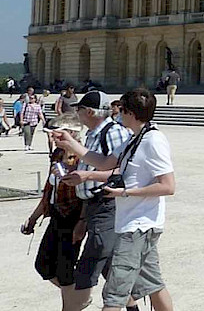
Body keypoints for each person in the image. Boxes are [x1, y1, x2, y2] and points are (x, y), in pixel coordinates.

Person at [50, 87, 176, 311]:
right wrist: (70, 143)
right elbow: (105, 162)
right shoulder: (135, 138)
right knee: (152, 285)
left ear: (130, 113)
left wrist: (125, 192)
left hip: (139, 226)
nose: (116, 113)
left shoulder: (153, 140)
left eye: (121, 110)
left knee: (115, 294)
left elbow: (168, 186)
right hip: (132, 223)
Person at [65, 91, 132, 311]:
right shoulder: (93, 134)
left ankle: (74, 307)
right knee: (110, 266)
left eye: (80, 109)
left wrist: (87, 176)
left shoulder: (113, 133)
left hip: (108, 203)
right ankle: (133, 306)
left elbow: (123, 171)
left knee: (90, 261)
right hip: (94, 206)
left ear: (90, 111)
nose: (77, 113)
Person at [22, 113, 84, 311]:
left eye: (55, 134)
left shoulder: (83, 157)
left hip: (73, 218)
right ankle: (79, 299)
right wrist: (33, 218)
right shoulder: (57, 154)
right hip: (57, 215)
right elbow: (49, 192)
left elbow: (87, 196)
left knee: (66, 270)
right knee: (43, 265)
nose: (51, 138)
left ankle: (72, 305)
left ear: (71, 134)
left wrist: (82, 223)